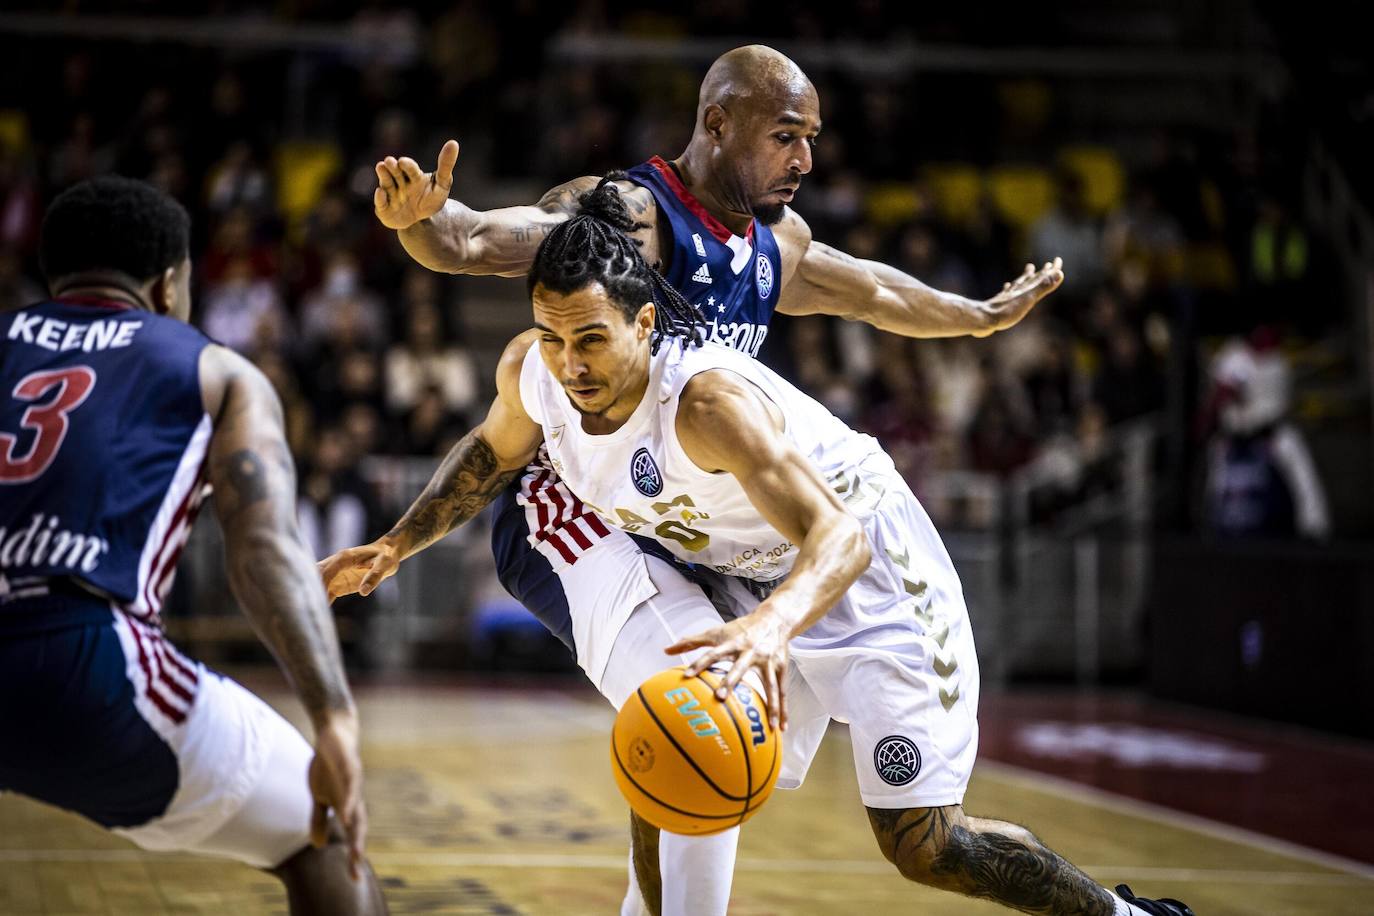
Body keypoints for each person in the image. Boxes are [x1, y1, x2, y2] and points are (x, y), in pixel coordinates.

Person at [324, 185, 1194, 916]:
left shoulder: (704, 404)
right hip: (761, 577)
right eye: (553, 337)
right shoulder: (536, 372)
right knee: (678, 735)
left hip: (874, 572)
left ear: (645, 323)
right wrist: (396, 545)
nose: (571, 363)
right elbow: (489, 456)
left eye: (591, 340)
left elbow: (840, 539)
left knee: (926, 845)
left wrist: (774, 630)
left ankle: (1124, 915)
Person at [360, 44, 1064, 915]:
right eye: (785, 137)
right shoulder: (632, 213)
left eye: (811, 138)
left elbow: (875, 292)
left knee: (724, 751)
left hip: (717, 518)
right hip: (590, 495)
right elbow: (481, 239)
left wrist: (976, 317)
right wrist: (421, 225)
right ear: (718, 124)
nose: (804, 159)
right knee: (691, 715)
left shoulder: (775, 243)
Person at [0, 176, 388, 915]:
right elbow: (264, 549)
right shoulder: (214, 367)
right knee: (324, 833)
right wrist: (333, 717)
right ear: (169, 282)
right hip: (87, 661)